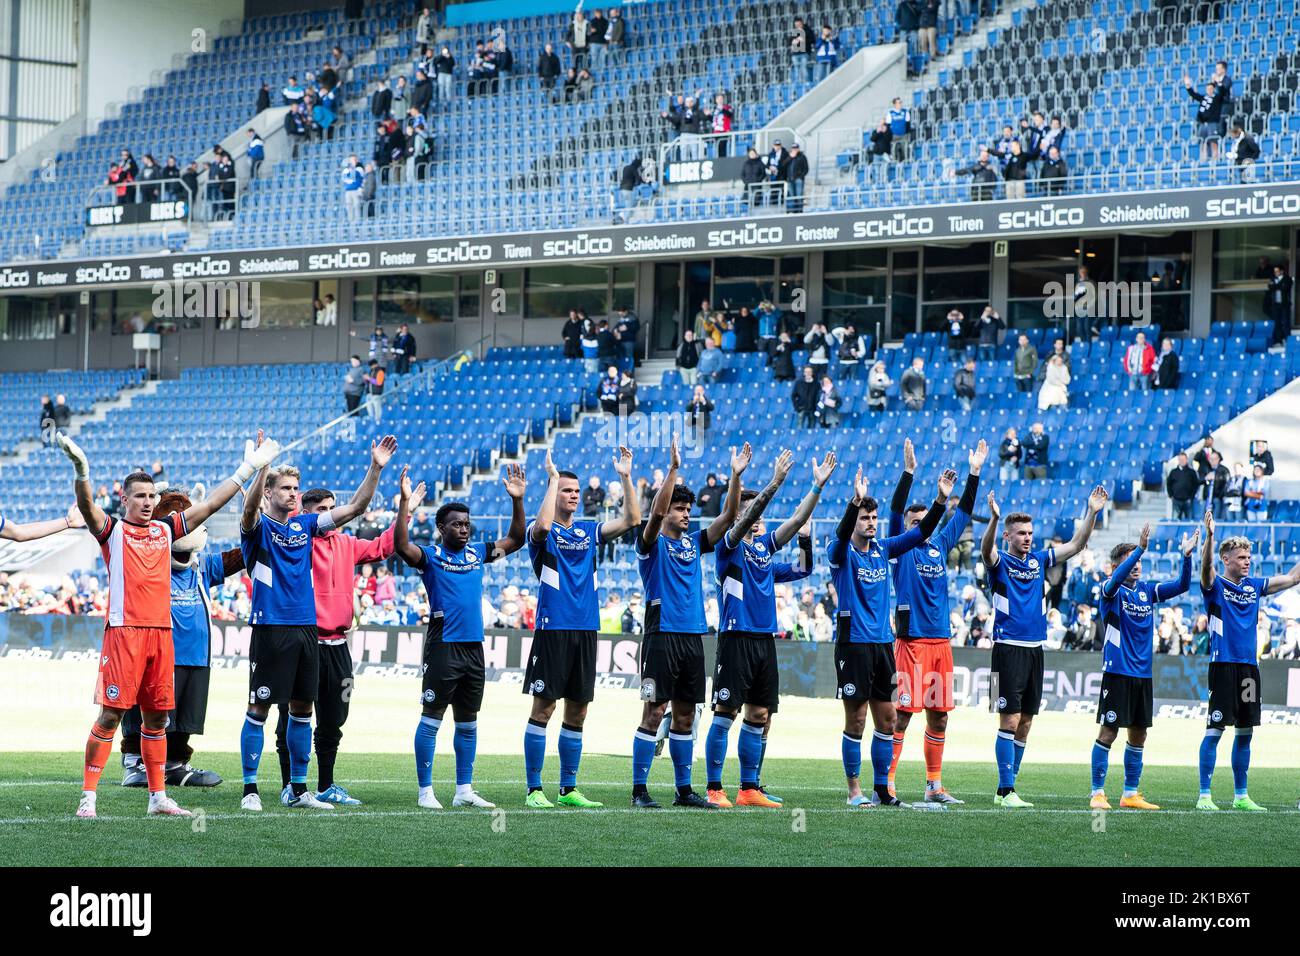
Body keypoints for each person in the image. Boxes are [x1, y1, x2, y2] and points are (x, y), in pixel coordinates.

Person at [54, 429, 279, 819]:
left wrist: (249, 468)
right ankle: (88, 796)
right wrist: (81, 468)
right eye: (139, 496)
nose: (146, 502)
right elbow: (87, 506)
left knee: (157, 718)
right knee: (111, 715)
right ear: (124, 499)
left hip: (162, 637)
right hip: (124, 635)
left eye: (151, 496)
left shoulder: (164, 530)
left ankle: (158, 797)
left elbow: (208, 505)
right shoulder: (113, 531)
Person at [236, 438, 395, 812]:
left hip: (306, 629)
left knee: (302, 710)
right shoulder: (256, 528)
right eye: (286, 488)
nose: (293, 493)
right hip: (271, 627)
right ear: (270, 493)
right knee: (258, 709)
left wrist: (376, 467)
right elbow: (247, 510)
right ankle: (250, 789)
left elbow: (356, 507)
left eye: (296, 488)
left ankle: (298, 789)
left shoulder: (307, 526)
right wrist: (262, 466)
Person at [393, 464, 524, 809]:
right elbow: (401, 545)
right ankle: (425, 792)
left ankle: (464, 789)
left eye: (467, 524)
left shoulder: (478, 553)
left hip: (473, 648)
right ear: (440, 528)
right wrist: (405, 506)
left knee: (468, 720)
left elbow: (516, 540)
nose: (464, 529)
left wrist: (517, 501)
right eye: (456, 524)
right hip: (443, 645)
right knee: (432, 715)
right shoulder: (430, 557)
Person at [704, 449, 829, 807]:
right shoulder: (727, 548)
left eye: (755, 510)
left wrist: (816, 489)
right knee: (726, 712)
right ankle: (715, 788)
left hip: (764, 640)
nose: (754, 517)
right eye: (747, 509)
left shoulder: (763, 551)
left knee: (759, 714)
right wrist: (773, 483)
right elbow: (743, 521)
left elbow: (795, 527)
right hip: (735, 637)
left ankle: (748, 789)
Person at [632, 439, 750, 809]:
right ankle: (639, 790)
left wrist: (734, 475)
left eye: (687, 509)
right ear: (666, 511)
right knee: (654, 711)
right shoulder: (650, 544)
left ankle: (684, 790)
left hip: (692, 637)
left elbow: (730, 517)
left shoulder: (694, 543)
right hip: (661, 636)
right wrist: (673, 470)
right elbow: (653, 515)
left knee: (685, 713)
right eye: (679, 509)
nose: (686, 514)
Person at [831, 452, 951, 808]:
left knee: (887, 718)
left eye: (873, 517)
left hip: (883, 645)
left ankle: (882, 787)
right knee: (856, 719)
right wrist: (854, 502)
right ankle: (854, 790)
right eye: (864, 518)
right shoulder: (840, 553)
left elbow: (923, 530)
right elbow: (840, 535)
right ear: (854, 521)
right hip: (853, 644)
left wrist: (939, 499)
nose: (870, 523)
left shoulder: (884, 549)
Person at [522, 448, 640, 808]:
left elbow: (633, 519)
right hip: (553, 627)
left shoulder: (589, 531)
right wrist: (552, 479)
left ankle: (568, 788)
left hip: (586, 629)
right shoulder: (539, 530)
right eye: (565, 490)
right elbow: (542, 526)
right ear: (553, 493)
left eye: (575, 490)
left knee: (579, 709)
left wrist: (625, 476)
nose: (573, 495)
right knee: (544, 708)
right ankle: (534, 790)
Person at [981, 485, 1109, 808]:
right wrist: (994, 521)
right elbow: (986, 551)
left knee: (1026, 721)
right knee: (1008, 720)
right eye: (1021, 533)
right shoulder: (999, 564)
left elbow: (1078, 544)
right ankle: (1005, 791)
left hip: (1035, 650)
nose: (1028, 537)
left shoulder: (1039, 560)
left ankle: (1008, 787)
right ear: (1008, 536)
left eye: (1030, 533)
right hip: (1006, 649)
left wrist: (1092, 511)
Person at [117, 489, 244, 790]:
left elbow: (239, 557)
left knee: (185, 716)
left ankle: (175, 764)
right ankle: (136, 761)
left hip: (196, 656)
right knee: (150, 712)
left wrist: (257, 521)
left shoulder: (201, 568)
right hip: (158, 655)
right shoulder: (147, 564)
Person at [884, 439, 986, 801]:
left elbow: (964, 514)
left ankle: (933, 786)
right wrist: (908, 471)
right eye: (915, 523)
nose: (919, 527)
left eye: (923, 522)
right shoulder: (898, 547)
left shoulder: (939, 545)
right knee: (903, 715)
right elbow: (897, 509)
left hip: (940, 642)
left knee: (939, 717)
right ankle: (888, 781)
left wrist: (973, 474)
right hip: (910, 643)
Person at [1089, 524, 1198, 810]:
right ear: (1116, 566)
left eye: (1139, 562)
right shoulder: (1109, 591)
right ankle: (1097, 793)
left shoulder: (1146, 592)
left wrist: (1187, 557)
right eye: (1130, 562)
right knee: (1109, 731)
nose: (1137, 566)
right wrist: (1139, 548)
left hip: (1142, 674)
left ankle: (1130, 794)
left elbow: (1182, 586)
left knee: (1139, 733)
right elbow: (1114, 581)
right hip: (1117, 672)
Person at [1197, 512, 1300, 810]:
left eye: (1249, 556)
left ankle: (1241, 796)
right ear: (1226, 559)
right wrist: (1211, 538)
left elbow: (1293, 578)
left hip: (1249, 670)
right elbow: (1206, 569)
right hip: (1223, 666)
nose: (1247, 561)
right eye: (1241, 557)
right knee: (1215, 731)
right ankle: (1205, 795)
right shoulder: (1215, 586)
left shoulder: (1254, 586)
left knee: (1245, 731)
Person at [1167, 452, 1199, 520]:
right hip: (1176, 500)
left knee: (1189, 520)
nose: (1182, 461)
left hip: (1188, 500)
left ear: (1186, 460)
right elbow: (1169, 484)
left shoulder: (1192, 472)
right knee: (1175, 519)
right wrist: (1171, 495)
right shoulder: (1173, 472)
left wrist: (1191, 496)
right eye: (1180, 459)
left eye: (1183, 459)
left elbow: (1196, 485)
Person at [1266, 264, 1292, 346]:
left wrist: (1276, 286)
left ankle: (1288, 340)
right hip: (1275, 305)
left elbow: (1285, 288)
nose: (1275, 273)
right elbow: (1270, 287)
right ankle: (1279, 341)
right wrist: (1279, 285)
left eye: (1277, 271)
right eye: (1274, 271)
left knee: (1285, 322)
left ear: (1282, 271)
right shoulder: (1272, 279)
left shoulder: (1288, 279)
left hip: (1284, 305)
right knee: (1277, 323)